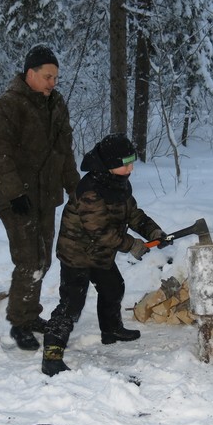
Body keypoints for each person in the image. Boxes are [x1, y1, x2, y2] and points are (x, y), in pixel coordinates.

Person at [41, 133, 169, 376]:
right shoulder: (90, 192)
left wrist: (153, 230)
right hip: (77, 255)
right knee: (72, 304)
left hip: (100, 255)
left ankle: (111, 329)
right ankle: (52, 354)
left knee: (114, 287)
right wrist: (132, 245)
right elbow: (100, 232)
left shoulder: (119, 183)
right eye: (125, 163)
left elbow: (132, 214)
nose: (131, 167)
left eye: (132, 161)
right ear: (109, 164)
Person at [0, 46, 79, 351]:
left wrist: (73, 187)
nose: (53, 82)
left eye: (56, 77)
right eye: (48, 76)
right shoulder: (5, 106)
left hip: (46, 195)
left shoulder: (56, 105)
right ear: (30, 75)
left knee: (43, 258)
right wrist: (14, 192)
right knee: (28, 259)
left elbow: (64, 150)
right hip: (16, 198)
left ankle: (30, 314)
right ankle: (19, 322)